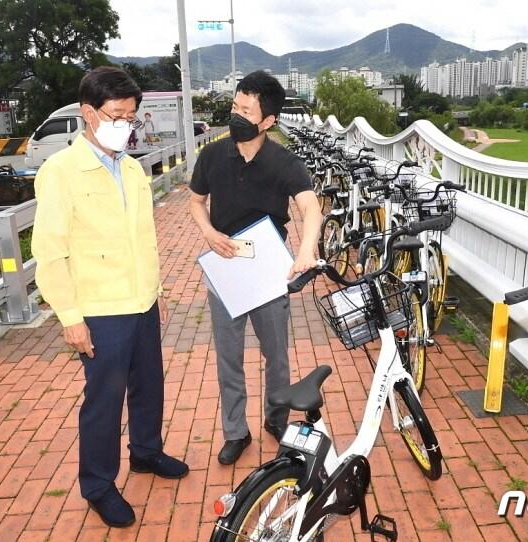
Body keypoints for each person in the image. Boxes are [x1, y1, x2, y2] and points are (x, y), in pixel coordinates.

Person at [31, 66, 188, 528]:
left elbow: (142, 237)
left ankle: (146, 451)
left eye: (131, 116)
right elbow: (49, 253)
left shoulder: (134, 168)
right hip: (100, 310)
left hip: (141, 301)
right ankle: (99, 485)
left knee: (149, 386)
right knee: (103, 398)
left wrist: (155, 290)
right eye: (117, 115)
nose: (126, 124)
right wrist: (70, 317)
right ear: (88, 113)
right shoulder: (61, 172)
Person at [189, 70, 321, 465]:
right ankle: (235, 432)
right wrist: (210, 233)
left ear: (268, 121)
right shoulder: (213, 154)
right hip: (224, 267)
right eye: (235, 106)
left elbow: (310, 207)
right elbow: (196, 201)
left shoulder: (283, 162)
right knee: (229, 357)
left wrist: (306, 249)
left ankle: (276, 418)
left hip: (268, 269)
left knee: (276, 355)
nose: (237, 115)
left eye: (247, 110)